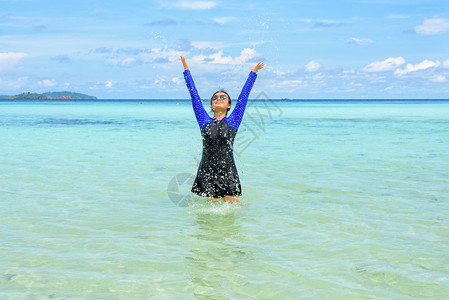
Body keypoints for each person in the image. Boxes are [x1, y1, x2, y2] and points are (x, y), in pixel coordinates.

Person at [180, 55, 264, 203]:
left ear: (229, 105)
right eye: (215, 98)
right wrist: (186, 68)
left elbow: (244, 95)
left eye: (223, 97)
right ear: (211, 106)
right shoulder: (203, 121)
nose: (218, 98)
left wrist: (253, 72)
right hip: (207, 170)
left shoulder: (234, 121)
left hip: (228, 170)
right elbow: (194, 94)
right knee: (208, 215)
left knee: (231, 211)